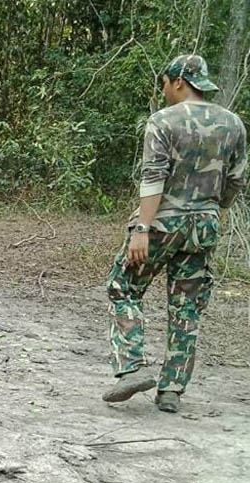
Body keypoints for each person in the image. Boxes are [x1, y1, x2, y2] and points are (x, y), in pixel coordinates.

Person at [102, 54, 246, 412]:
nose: (164, 89)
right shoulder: (233, 124)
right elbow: (235, 181)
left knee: (123, 286)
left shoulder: (163, 121)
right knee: (187, 307)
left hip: (163, 222)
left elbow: (154, 178)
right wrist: (210, 209)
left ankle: (131, 367)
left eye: (165, 82)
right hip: (205, 225)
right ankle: (171, 390)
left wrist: (141, 228)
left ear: (179, 81)